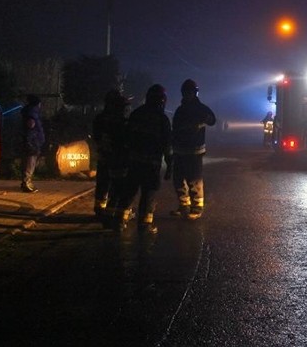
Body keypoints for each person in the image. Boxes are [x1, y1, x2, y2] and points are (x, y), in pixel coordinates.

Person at [113, 84, 172, 234]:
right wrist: (169, 165)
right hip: (152, 164)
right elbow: (166, 144)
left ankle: (119, 221)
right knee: (148, 194)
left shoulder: (136, 114)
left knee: (129, 191)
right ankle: (145, 225)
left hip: (134, 162)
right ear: (162, 100)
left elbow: (126, 138)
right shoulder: (162, 119)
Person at [170, 79, 216, 220]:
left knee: (194, 180)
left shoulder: (201, 108)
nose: (188, 95)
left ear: (195, 93)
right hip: (179, 150)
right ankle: (184, 206)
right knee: (178, 179)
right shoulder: (180, 110)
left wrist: (204, 120)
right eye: (186, 92)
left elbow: (212, 120)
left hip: (194, 151)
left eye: (190, 92)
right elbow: (175, 128)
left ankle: (197, 208)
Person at [91, 89, 131, 224]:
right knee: (117, 186)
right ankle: (111, 214)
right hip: (117, 159)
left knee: (102, 183)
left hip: (103, 156)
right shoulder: (120, 122)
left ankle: (99, 209)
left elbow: (96, 136)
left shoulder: (100, 118)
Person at [19, 94, 45, 193]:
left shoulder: (29, 111)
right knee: (30, 162)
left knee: (28, 162)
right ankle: (26, 183)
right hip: (32, 142)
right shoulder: (32, 112)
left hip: (31, 141)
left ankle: (26, 182)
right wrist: (32, 139)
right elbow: (31, 125)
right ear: (38, 104)